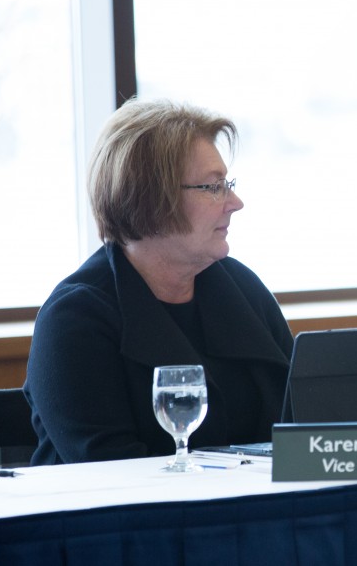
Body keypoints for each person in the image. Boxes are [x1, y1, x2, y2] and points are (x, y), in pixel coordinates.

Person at [24, 99, 294, 464]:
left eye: (227, 184)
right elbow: (108, 471)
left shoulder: (241, 288)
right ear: (151, 198)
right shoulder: (75, 319)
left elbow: (301, 424)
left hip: (261, 512)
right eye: (213, 187)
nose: (235, 202)